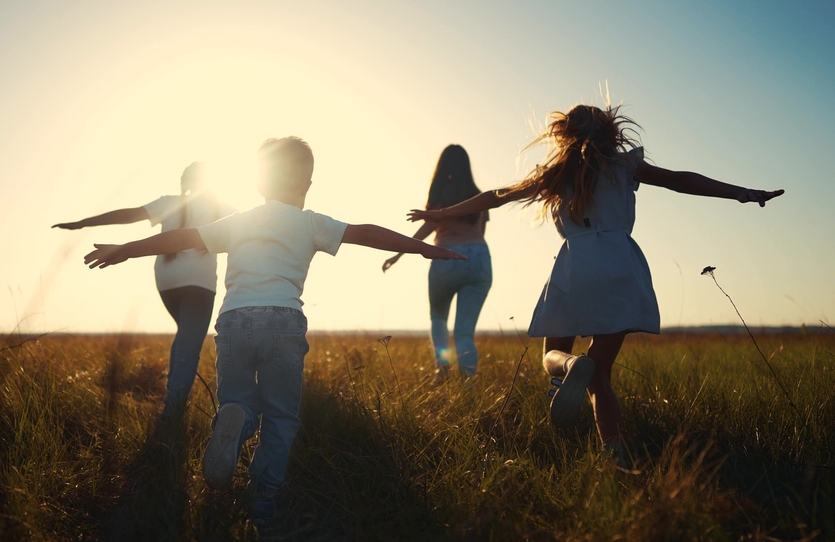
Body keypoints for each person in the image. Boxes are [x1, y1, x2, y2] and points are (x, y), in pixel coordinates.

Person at [83, 136, 466, 526]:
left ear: (260, 184)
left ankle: (236, 416)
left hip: (233, 322)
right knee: (282, 417)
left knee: (238, 400)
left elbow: (182, 237)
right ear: (307, 185)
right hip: (283, 322)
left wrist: (127, 248)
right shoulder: (311, 222)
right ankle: (263, 499)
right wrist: (421, 249)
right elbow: (365, 232)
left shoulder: (238, 222)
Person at [409, 104, 783, 465]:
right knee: (600, 373)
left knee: (550, 358)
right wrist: (739, 191)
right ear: (608, 130)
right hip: (621, 264)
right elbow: (681, 180)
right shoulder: (625, 165)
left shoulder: (555, 173)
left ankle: (571, 365)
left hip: (576, 265)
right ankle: (614, 451)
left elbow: (497, 196)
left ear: (564, 134)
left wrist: (439, 213)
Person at [53, 162, 234, 420]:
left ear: (184, 182)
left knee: (185, 336)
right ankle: (172, 412)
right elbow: (255, 225)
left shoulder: (169, 203)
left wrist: (83, 223)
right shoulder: (223, 209)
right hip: (199, 284)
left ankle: (173, 400)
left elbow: (127, 215)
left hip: (167, 282)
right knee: (189, 342)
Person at [382, 145, 491, 383]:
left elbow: (424, 230)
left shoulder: (441, 198)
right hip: (479, 258)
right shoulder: (479, 197)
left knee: (439, 319)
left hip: (447, 257)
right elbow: (480, 233)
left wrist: (397, 255)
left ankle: (441, 372)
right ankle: (468, 384)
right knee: (465, 332)